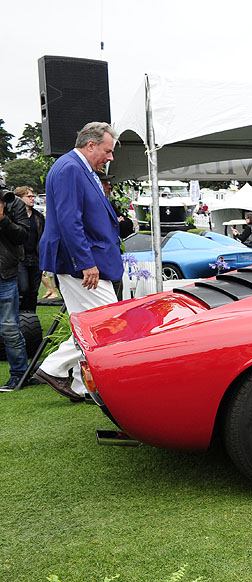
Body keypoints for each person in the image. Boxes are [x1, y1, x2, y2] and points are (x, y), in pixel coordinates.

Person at [36, 122, 123, 402]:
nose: (110, 158)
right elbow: (69, 220)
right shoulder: (71, 168)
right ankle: (54, 367)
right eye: (107, 151)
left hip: (79, 259)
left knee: (86, 323)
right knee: (108, 323)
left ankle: (78, 384)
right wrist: (86, 262)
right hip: (80, 262)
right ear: (90, 145)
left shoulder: (74, 167)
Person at [0, 187, 30, 391]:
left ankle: (20, 374)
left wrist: (2, 219)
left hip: (5, 274)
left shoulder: (13, 202)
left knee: (9, 327)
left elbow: (23, 236)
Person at [14, 186, 44, 313]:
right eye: (29, 196)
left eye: (33, 196)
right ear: (20, 198)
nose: (33, 199)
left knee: (33, 291)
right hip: (20, 257)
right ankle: (21, 316)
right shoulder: (13, 216)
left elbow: (42, 236)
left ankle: (31, 319)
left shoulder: (38, 216)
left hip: (35, 256)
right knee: (23, 288)